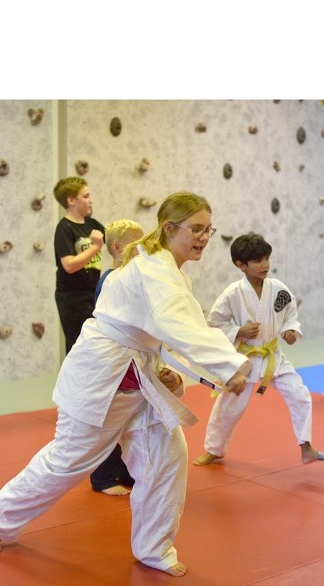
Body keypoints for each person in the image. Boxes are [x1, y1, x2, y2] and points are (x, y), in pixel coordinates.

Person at [0, 191, 251, 577]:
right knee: (66, 463)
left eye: (208, 229)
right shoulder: (153, 267)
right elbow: (178, 324)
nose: (203, 237)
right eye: (196, 229)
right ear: (169, 228)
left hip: (137, 378)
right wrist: (228, 368)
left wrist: (180, 374)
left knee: (166, 457)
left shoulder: (165, 268)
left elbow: (172, 329)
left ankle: (153, 547)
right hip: (104, 375)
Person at [193, 231, 324, 467]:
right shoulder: (232, 294)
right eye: (258, 261)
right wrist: (238, 331)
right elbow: (213, 325)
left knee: (300, 395)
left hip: (273, 355)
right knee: (229, 407)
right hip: (244, 359)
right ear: (240, 265)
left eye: (266, 258)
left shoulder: (279, 290)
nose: (265, 265)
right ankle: (214, 450)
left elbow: (290, 315)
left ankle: (306, 447)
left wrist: (291, 331)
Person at [90, 219, 144, 496]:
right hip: (113, 362)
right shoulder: (110, 280)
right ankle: (103, 477)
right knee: (110, 421)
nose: (143, 250)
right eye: (137, 245)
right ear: (118, 247)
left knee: (132, 420)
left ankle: (126, 470)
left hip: (130, 362)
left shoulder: (127, 278)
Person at [54, 176, 105, 354]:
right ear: (71, 200)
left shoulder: (91, 224)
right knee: (80, 345)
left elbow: (114, 238)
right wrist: (96, 247)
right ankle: (74, 381)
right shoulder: (64, 228)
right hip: (72, 297)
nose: (90, 200)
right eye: (86, 196)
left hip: (92, 293)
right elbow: (69, 265)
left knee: (96, 343)